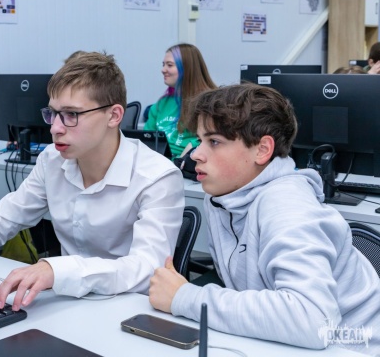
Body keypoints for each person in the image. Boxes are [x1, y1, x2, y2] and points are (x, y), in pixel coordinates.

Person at [0, 52, 184, 312]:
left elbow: (147, 268)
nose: (55, 128)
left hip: (127, 310)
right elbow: (0, 222)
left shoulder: (157, 177)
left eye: (71, 114)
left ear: (113, 116)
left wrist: (57, 270)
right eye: (53, 113)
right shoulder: (52, 160)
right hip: (67, 304)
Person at [149, 83, 380, 355]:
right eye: (200, 140)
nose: (196, 154)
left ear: (262, 150)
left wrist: (186, 298)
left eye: (214, 142)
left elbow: (312, 319)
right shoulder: (222, 197)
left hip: (353, 349)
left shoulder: (286, 204)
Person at [143, 43, 216, 159]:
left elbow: (212, 139)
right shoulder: (161, 104)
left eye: (169, 65)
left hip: (190, 163)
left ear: (187, 68)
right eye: (163, 65)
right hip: (159, 162)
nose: (163, 70)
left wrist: (182, 161)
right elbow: (146, 138)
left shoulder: (209, 102)